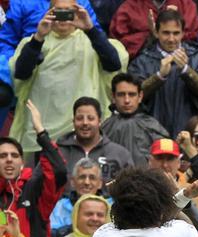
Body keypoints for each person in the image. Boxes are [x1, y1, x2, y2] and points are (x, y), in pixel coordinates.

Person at [9, 0, 125, 154]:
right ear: (49, 14)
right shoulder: (34, 42)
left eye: (68, 13)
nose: (63, 18)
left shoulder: (92, 42)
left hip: (80, 127)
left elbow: (113, 64)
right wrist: (39, 36)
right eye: (58, 12)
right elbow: (21, 73)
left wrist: (90, 29)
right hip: (41, 129)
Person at [128, 9, 198, 136]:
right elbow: (134, 96)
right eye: (166, 33)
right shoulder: (142, 60)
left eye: (176, 33)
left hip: (189, 131)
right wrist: (159, 76)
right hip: (152, 132)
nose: (171, 39)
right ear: (156, 32)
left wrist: (187, 71)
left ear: (183, 34)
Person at [0, 101, 68, 237]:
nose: (9, 159)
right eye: (3, 156)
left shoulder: (34, 191)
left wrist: (41, 132)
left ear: (22, 163)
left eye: (14, 155)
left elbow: (59, 172)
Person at [55, 96, 134, 185]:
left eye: (91, 118)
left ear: (99, 121)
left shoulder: (120, 154)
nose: (85, 123)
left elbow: (131, 190)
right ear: (73, 121)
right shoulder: (57, 153)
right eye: (80, 118)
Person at [101, 72, 172, 165]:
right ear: (113, 97)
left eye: (132, 94)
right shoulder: (103, 129)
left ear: (140, 96)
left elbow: (167, 161)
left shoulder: (154, 127)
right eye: (121, 94)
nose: (127, 100)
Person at [110, 0, 198, 59]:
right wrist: (150, 35)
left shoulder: (186, 5)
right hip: (140, 68)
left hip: (181, 63)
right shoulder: (129, 7)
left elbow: (195, 38)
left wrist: (175, 25)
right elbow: (118, 46)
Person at [51, 159, 107, 237]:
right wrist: (79, 225)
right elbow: (53, 236)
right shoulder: (59, 207)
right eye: (82, 177)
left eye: (92, 178)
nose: (86, 182)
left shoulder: (111, 206)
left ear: (100, 183)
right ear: (72, 182)